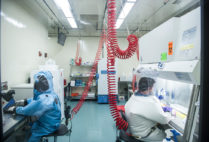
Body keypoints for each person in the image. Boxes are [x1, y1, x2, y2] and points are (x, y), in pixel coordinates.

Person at [6, 71, 61, 142]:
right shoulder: (51, 94)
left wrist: (14, 109)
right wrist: (25, 101)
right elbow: (36, 101)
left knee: (31, 137)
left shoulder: (43, 100)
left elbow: (26, 110)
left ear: (39, 87)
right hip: (53, 122)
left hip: (47, 127)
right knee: (31, 125)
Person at [125, 77, 171, 142]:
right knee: (169, 137)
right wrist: (170, 113)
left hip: (135, 132)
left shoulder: (134, 96)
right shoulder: (148, 101)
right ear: (150, 88)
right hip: (145, 135)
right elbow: (164, 120)